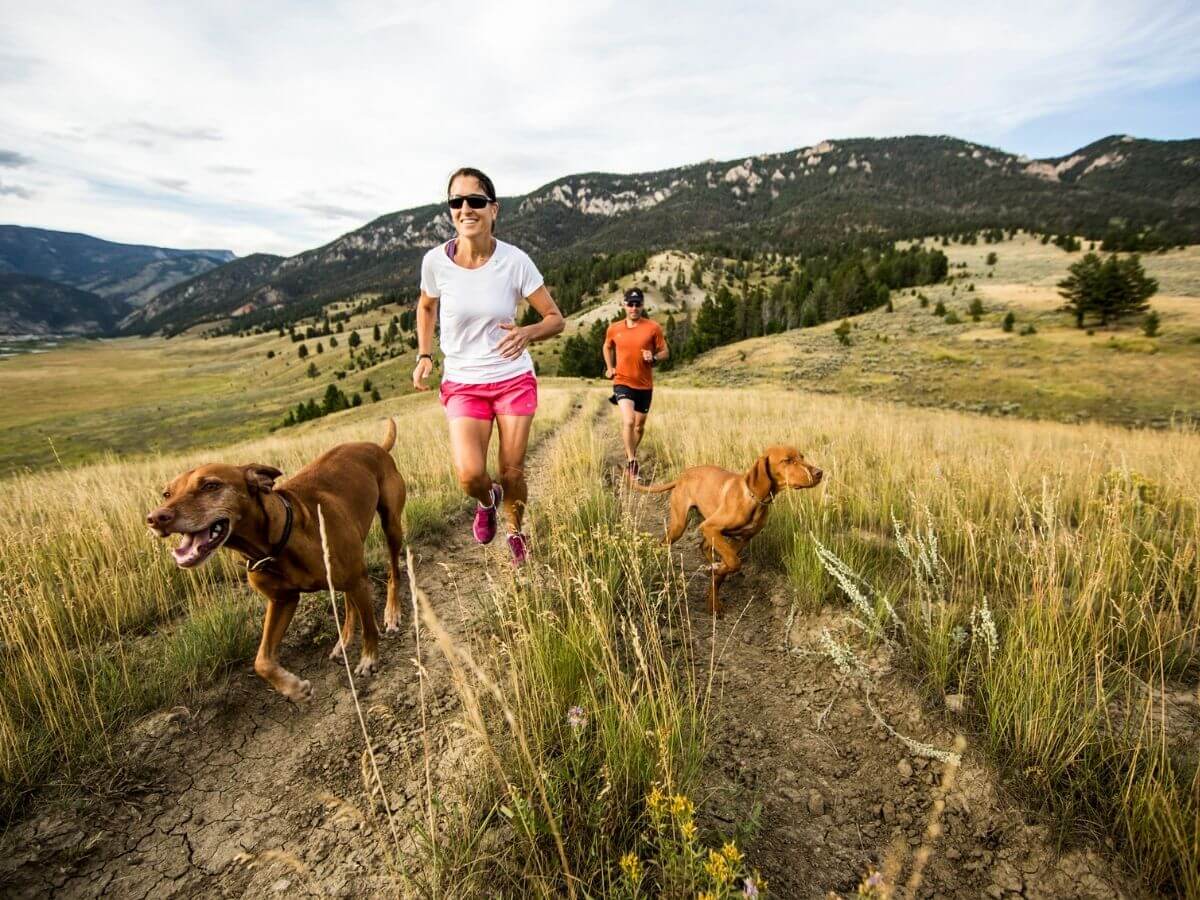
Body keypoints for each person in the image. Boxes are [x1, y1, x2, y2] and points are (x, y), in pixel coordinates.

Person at [412, 167, 564, 564]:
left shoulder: (515, 262)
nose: (466, 209)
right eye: (457, 202)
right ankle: (487, 499)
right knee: (469, 475)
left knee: (512, 470)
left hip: (513, 379)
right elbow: (427, 305)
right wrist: (425, 354)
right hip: (463, 383)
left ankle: (516, 532)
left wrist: (528, 333)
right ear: (450, 211)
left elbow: (555, 318)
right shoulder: (435, 262)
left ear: (493, 209)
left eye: (475, 201)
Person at [603, 287, 669, 481]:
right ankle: (632, 462)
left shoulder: (653, 328)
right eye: (630, 304)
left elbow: (666, 352)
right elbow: (607, 346)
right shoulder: (614, 328)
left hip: (645, 385)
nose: (633, 308)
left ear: (642, 305)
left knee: (639, 427)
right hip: (622, 381)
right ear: (624, 305)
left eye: (637, 304)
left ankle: (629, 450)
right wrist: (609, 367)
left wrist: (654, 357)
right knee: (629, 421)